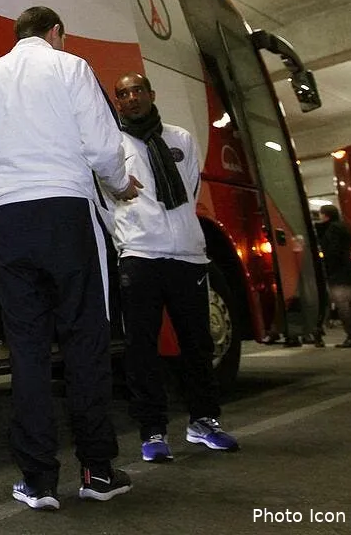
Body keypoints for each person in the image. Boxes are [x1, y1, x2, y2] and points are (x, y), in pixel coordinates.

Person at [0, 6, 141, 511]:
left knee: (27, 349)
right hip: (66, 213)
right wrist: (121, 183)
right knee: (85, 340)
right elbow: (104, 145)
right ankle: (98, 471)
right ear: (56, 32)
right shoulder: (71, 66)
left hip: (9, 220)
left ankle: (37, 481)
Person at [109, 72, 239, 463]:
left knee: (197, 344)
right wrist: (126, 236)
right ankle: (152, 431)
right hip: (140, 255)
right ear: (118, 101)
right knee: (141, 348)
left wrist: (182, 234)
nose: (131, 98)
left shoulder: (181, 138)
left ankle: (203, 422)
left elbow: (193, 191)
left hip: (187, 255)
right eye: (123, 93)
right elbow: (106, 197)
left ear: (151, 94)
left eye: (137, 91)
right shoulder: (113, 145)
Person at [318, 204, 351, 347]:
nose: (320, 217)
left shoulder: (332, 229)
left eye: (321, 214)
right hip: (349, 269)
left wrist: (326, 263)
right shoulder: (343, 226)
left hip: (338, 272)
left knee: (344, 305)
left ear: (326, 215)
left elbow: (332, 251)